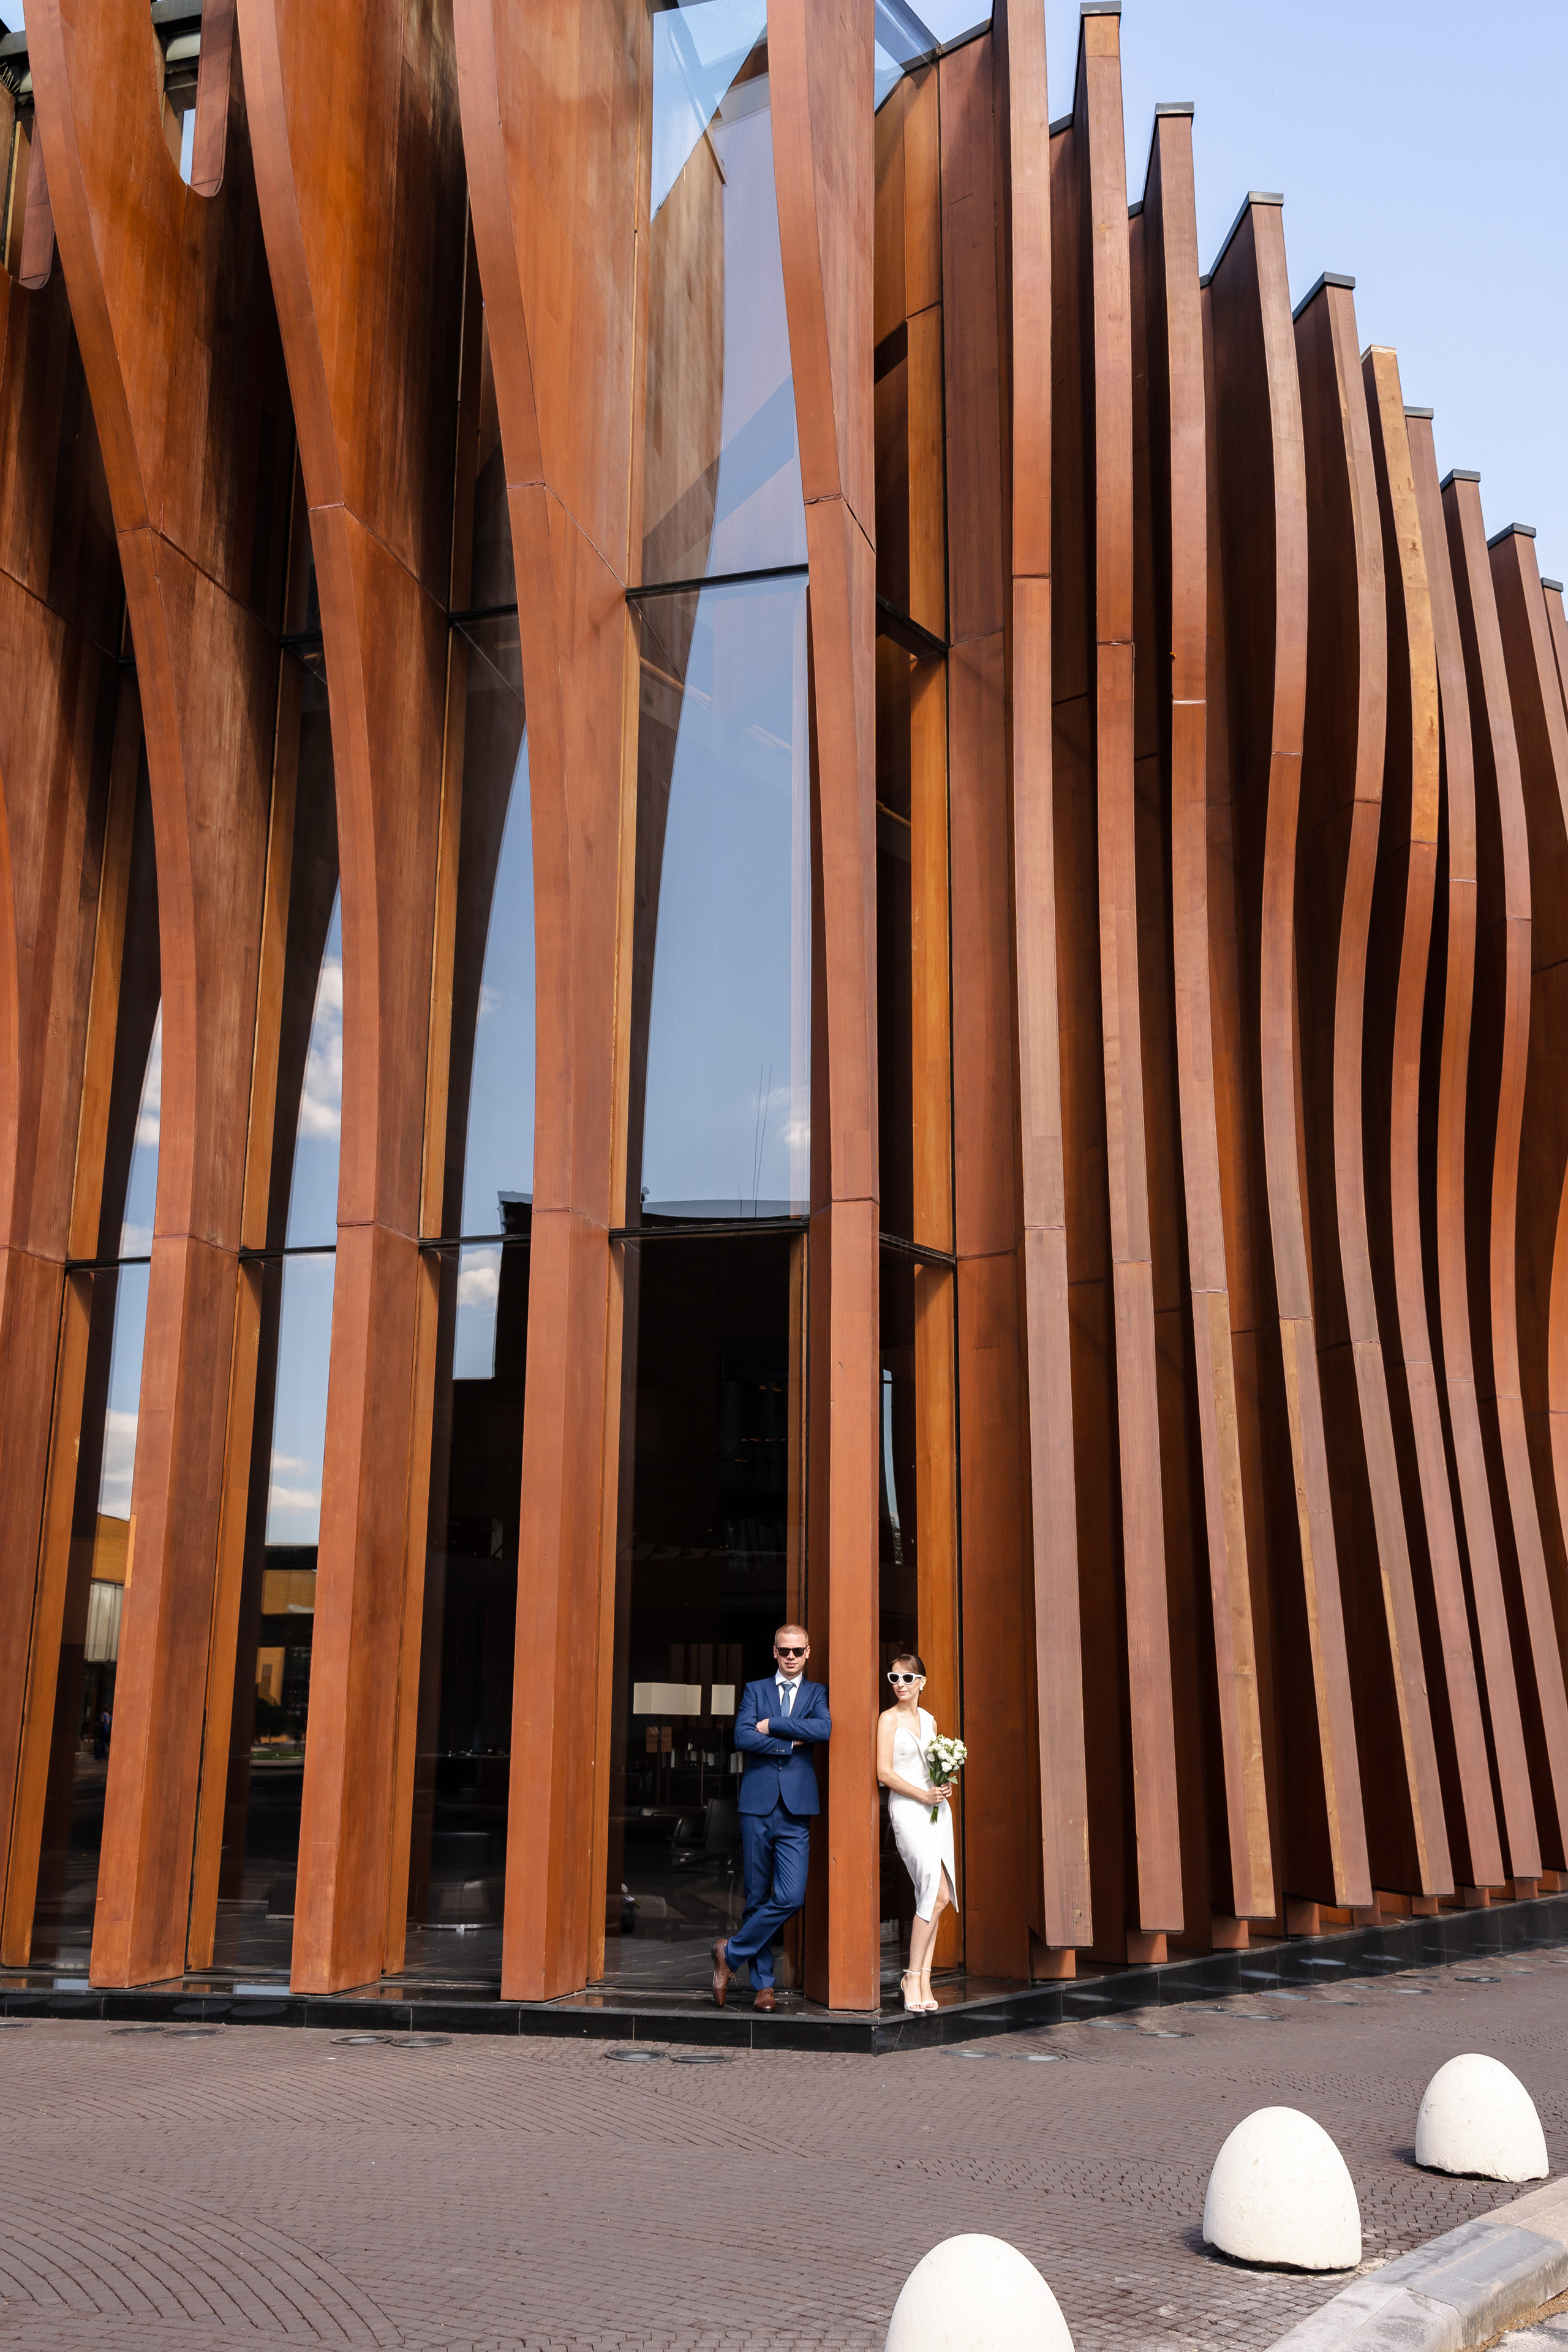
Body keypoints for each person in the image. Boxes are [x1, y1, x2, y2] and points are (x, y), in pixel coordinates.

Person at [711, 1623, 831, 2012]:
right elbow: (743, 1738)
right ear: (774, 1651)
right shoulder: (756, 1690)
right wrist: (792, 1740)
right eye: (785, 1651)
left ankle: (730, 1954)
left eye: (798, 1651)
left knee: (792, 1895)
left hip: (796, 1808)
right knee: (757, 1896)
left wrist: (774, 1725)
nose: (791, 1657)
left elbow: (823, 1728)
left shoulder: (817, 1693)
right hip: (757, 1805)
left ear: (808, 1652)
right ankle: (764, 1986)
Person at [875, 1650, 958, 2012]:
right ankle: (911, 1976)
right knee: (935, 1891)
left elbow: (934, 1769)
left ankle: (923, 1976)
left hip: (936, 1811)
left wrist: (943, 1786)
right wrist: (923, 1793)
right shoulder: (888, 1720)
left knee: (936, 1894)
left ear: (921, 1682)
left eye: (907, 1678)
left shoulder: (930, 1720)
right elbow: (884, 1775)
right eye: (894, 1678)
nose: (900, 1685)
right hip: (908, 1809)